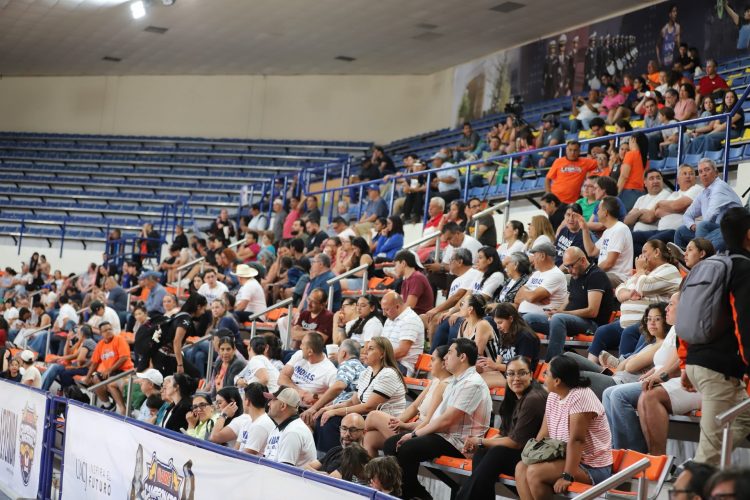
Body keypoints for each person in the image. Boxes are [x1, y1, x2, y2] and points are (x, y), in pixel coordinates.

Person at [681, 207, 750, 466]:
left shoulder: (708, 266)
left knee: (745, 417)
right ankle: (694, 477)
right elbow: (744, 322)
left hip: (699, 363)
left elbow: (683, 315)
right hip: (718, 370)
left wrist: (686, 363)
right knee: (706, 457)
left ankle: (708, 469)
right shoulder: (743, 268)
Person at [384, 338, 492, 500]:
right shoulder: (456, 380)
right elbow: (436, 418)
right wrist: (412, 431)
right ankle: (413, 492)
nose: (446, 357)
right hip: (445, 436)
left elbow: (446, 421)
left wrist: (414, 434)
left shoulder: (472, 383)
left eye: (450, 353)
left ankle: (410, 494)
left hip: (461, 443)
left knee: (407, 449)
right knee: (390, 444)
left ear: (462, 357)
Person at [515, 355, 613, 498]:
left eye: (546, 373)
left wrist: (568, 475)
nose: (543, 376)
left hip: (591, 466)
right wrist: (533, 455)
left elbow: (577, 440)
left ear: (557, 381)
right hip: (565, 458)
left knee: (535, 473)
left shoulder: (581, 396)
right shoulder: (553, 395)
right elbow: (544, 432)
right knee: (521, 468)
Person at [457, 356, 548, 500]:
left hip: (535, 456)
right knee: (482, 452)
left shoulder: (533, 398)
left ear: (531, 375)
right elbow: (504, 433)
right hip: (519, 452)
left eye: (522, 373)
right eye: (511, 374)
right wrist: (480, 444)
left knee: (497, 452)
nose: (516, 378)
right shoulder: (513, 395)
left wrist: (480, 441)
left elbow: (515, 443)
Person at [588, 239, 680, 364]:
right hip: (624, 322)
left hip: (647, 322)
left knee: (629, 333)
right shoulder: (644, 274)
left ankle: (622, 367)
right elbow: (619, 290)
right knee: (602, 332)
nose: (640, 257)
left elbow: (644, 287)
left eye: (644, 252)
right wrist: (629, 294)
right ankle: (591, 367)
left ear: (657, 252)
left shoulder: (668, 269)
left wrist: (640, 271)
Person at [315, 337, 406, 453]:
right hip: (366, 419)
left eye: (371, 349)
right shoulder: (366, 372)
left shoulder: (389, 374)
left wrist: (335, 412)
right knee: (324, 417)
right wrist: (329, 408)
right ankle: (328, 458)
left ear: (382, 354)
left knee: (334, 422)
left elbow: (369, 407)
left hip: (387, 424)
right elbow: (353, 402)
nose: (365, 351)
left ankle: (335, 459)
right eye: (366, 348)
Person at [565, 302, 669, 400]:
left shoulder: (662, 344)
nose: (652, 323)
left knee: (570, 375)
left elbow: (630, 367)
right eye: (649, 319)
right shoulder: (651, 344)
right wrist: (631, 359)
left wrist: (631, 359)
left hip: (621, 384)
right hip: (616, 377)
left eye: (657, 319)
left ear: (666, 320)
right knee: (568, 356)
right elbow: (620, 369)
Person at [525, 247, 615, 361]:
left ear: (583, 260)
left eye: (571, 266)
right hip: (569, 321)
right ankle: (527, 362)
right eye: (566, 267)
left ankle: (552, 363)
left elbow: (592, 311)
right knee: (527, 319)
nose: (569, 270)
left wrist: (562, 313)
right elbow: (569, 299)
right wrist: (556, 311)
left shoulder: (596, 276)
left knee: (558, 319)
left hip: (592, 324)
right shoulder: (575, 275)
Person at [363, 346, 451, 457]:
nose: (429, 364)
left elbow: (429, 422)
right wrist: (398, 422)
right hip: (414, 426)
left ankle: (354, 432)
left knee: (373, 416)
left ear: (444, 363)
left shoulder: (445, 385)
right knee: (370, 438)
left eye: (433, 360)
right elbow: (414, 406)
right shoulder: (435, 381)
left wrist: (406, 427)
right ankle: (366, 468)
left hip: (423, 432)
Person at [673, 159, 743, 254]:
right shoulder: (703, 193)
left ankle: (696, 255)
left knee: (703, 225)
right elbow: (687, 215)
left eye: (707, 170)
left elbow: (711, 215)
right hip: (713, 230)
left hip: (732, 229)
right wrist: (692, 225)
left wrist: (700, 228)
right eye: (700, 172)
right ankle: (684, 259)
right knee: (681, 231)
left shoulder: (720, 186)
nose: (704, 174)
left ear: (716, 173)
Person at [631, 164, 703, 255]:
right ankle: (643, 261)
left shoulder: (697, 189)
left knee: (652, 242)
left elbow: (677, 206)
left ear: (695, 178)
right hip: (661, 230)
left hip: (677, 231)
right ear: (677, 180)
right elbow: (658, 212)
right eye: (684, 173)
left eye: (691, 173)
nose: (688, 176)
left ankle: (649, 261)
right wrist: (675, 208)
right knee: (632, 237)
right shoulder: (674, 194)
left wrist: (663, 204)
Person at [477, 304, 541, 388]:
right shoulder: (504, 333)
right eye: (496, 323)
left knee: (477, 382)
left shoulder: (525, 337)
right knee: (472, 377)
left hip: (520, 377)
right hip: (506, 374)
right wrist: (481, 368)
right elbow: (498, 364)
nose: (498, 327)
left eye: (500, 322)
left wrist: (496, 366)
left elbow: (522, 367)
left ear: (511, 319)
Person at [579, 195, 634, 286]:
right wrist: (585, 229)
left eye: (599, 209)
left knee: (587, 279)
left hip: (618, 277)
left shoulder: (620, 229)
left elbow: (609, 263)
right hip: (605, 274)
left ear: (605, 213)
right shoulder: (608, 231)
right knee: (573, 277)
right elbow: (591, 251)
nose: (597, 212)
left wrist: (589, 271)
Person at [83, 322, 133, 414]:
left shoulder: (119, 339)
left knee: (110, 382)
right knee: (95, 378)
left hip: (124, 371)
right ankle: (108, 405)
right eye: (105, 330)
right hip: (110, 372)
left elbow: (124, 357)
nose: (108, 331)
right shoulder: (100, 344)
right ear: (101, 333)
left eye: (110, 329)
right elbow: (94, 362)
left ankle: (123, 409)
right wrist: (87, 377)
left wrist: (110, 369)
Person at [278, 332, 338, 408]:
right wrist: (299, 391)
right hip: (284, 398)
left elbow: (336, 397)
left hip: (304, 408)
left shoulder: (330, 371)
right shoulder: (299, 354)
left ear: (310, 352)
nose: (300, 347)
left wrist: (315, 397)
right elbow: (281, 378)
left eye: (302, 344)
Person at [263, 387, 317, 467]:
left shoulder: (293, 432)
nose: (268, 403)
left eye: (273, 400)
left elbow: (283, 471)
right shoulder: (278, 428)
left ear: (283, 406)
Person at [379, 291, 425, 376]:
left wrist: (379, 357)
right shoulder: (390, 319)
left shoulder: (410, 319)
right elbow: (381, 344)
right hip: (387, 361)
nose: (384, 314)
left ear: (397, 306)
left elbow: (402, 351)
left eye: (387, 309)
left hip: (402, 366)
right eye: (383, 309)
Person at [515, 242, 568, 316]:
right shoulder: (536, 274)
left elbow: (532, 297)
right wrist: (536, 298)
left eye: (534, 255)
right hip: (523, 315)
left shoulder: (556, 274)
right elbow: (517, 298)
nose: (532, 259)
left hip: (539, 317)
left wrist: (528, 294)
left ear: (543, 256)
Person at [232, 382, 276, 454]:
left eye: (243, 399)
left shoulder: (260, 425)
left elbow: (245, 457)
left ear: (247, 401)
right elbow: (235, 450)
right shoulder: (248, 422)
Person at [394, 251, 434, 315]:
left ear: (403, 263)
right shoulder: (406, 280)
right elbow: (401, 302)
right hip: (413, 316)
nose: (394, 269)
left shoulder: (416, 278)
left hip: (421, 317)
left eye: (396, 264)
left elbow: (409, 307)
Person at [617, 133, 647, 211]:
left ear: (633, 140)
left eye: (629, 140)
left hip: (628, 192)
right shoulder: (645, 157)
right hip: (641, 192)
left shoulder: (630, 154)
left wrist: (616, 192)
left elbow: (624, 176)